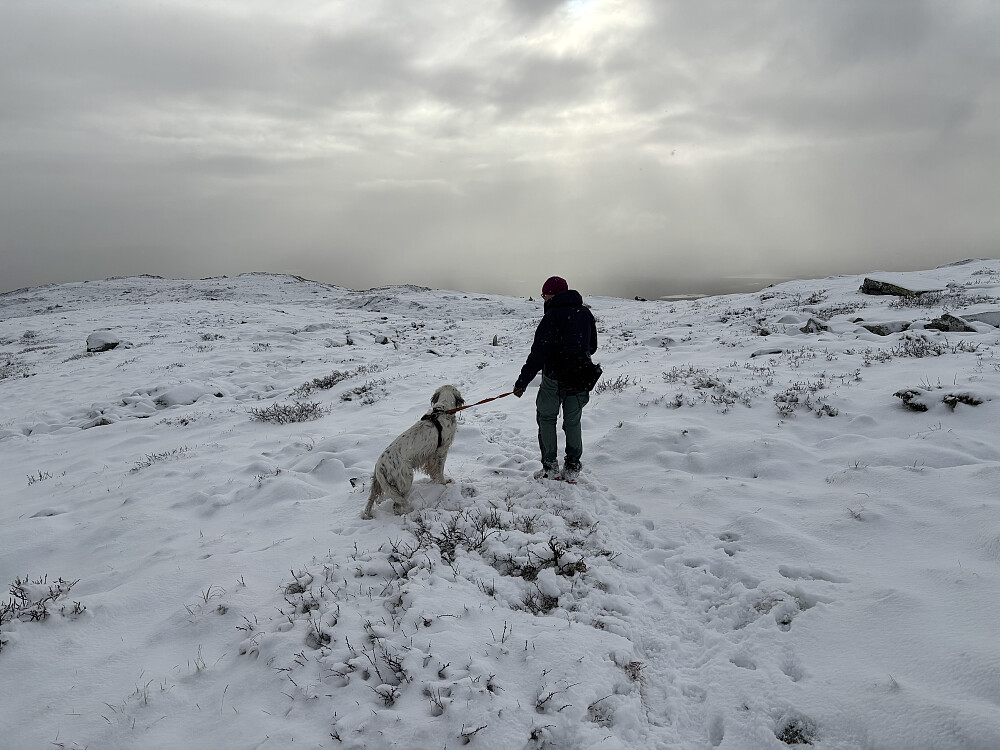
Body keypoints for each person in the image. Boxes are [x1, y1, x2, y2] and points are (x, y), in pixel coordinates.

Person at [513, 276, 598, 481]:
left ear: (552, 294)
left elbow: (538, 354)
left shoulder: (551, 316)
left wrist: (522, 382)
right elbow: (592, 347)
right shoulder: (585, 313)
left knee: (546, 418)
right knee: (572, 421)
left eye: (544, 294)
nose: (543, 298)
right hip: (580, 377)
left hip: (554, 379)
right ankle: (572, 467)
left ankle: (550, 467)